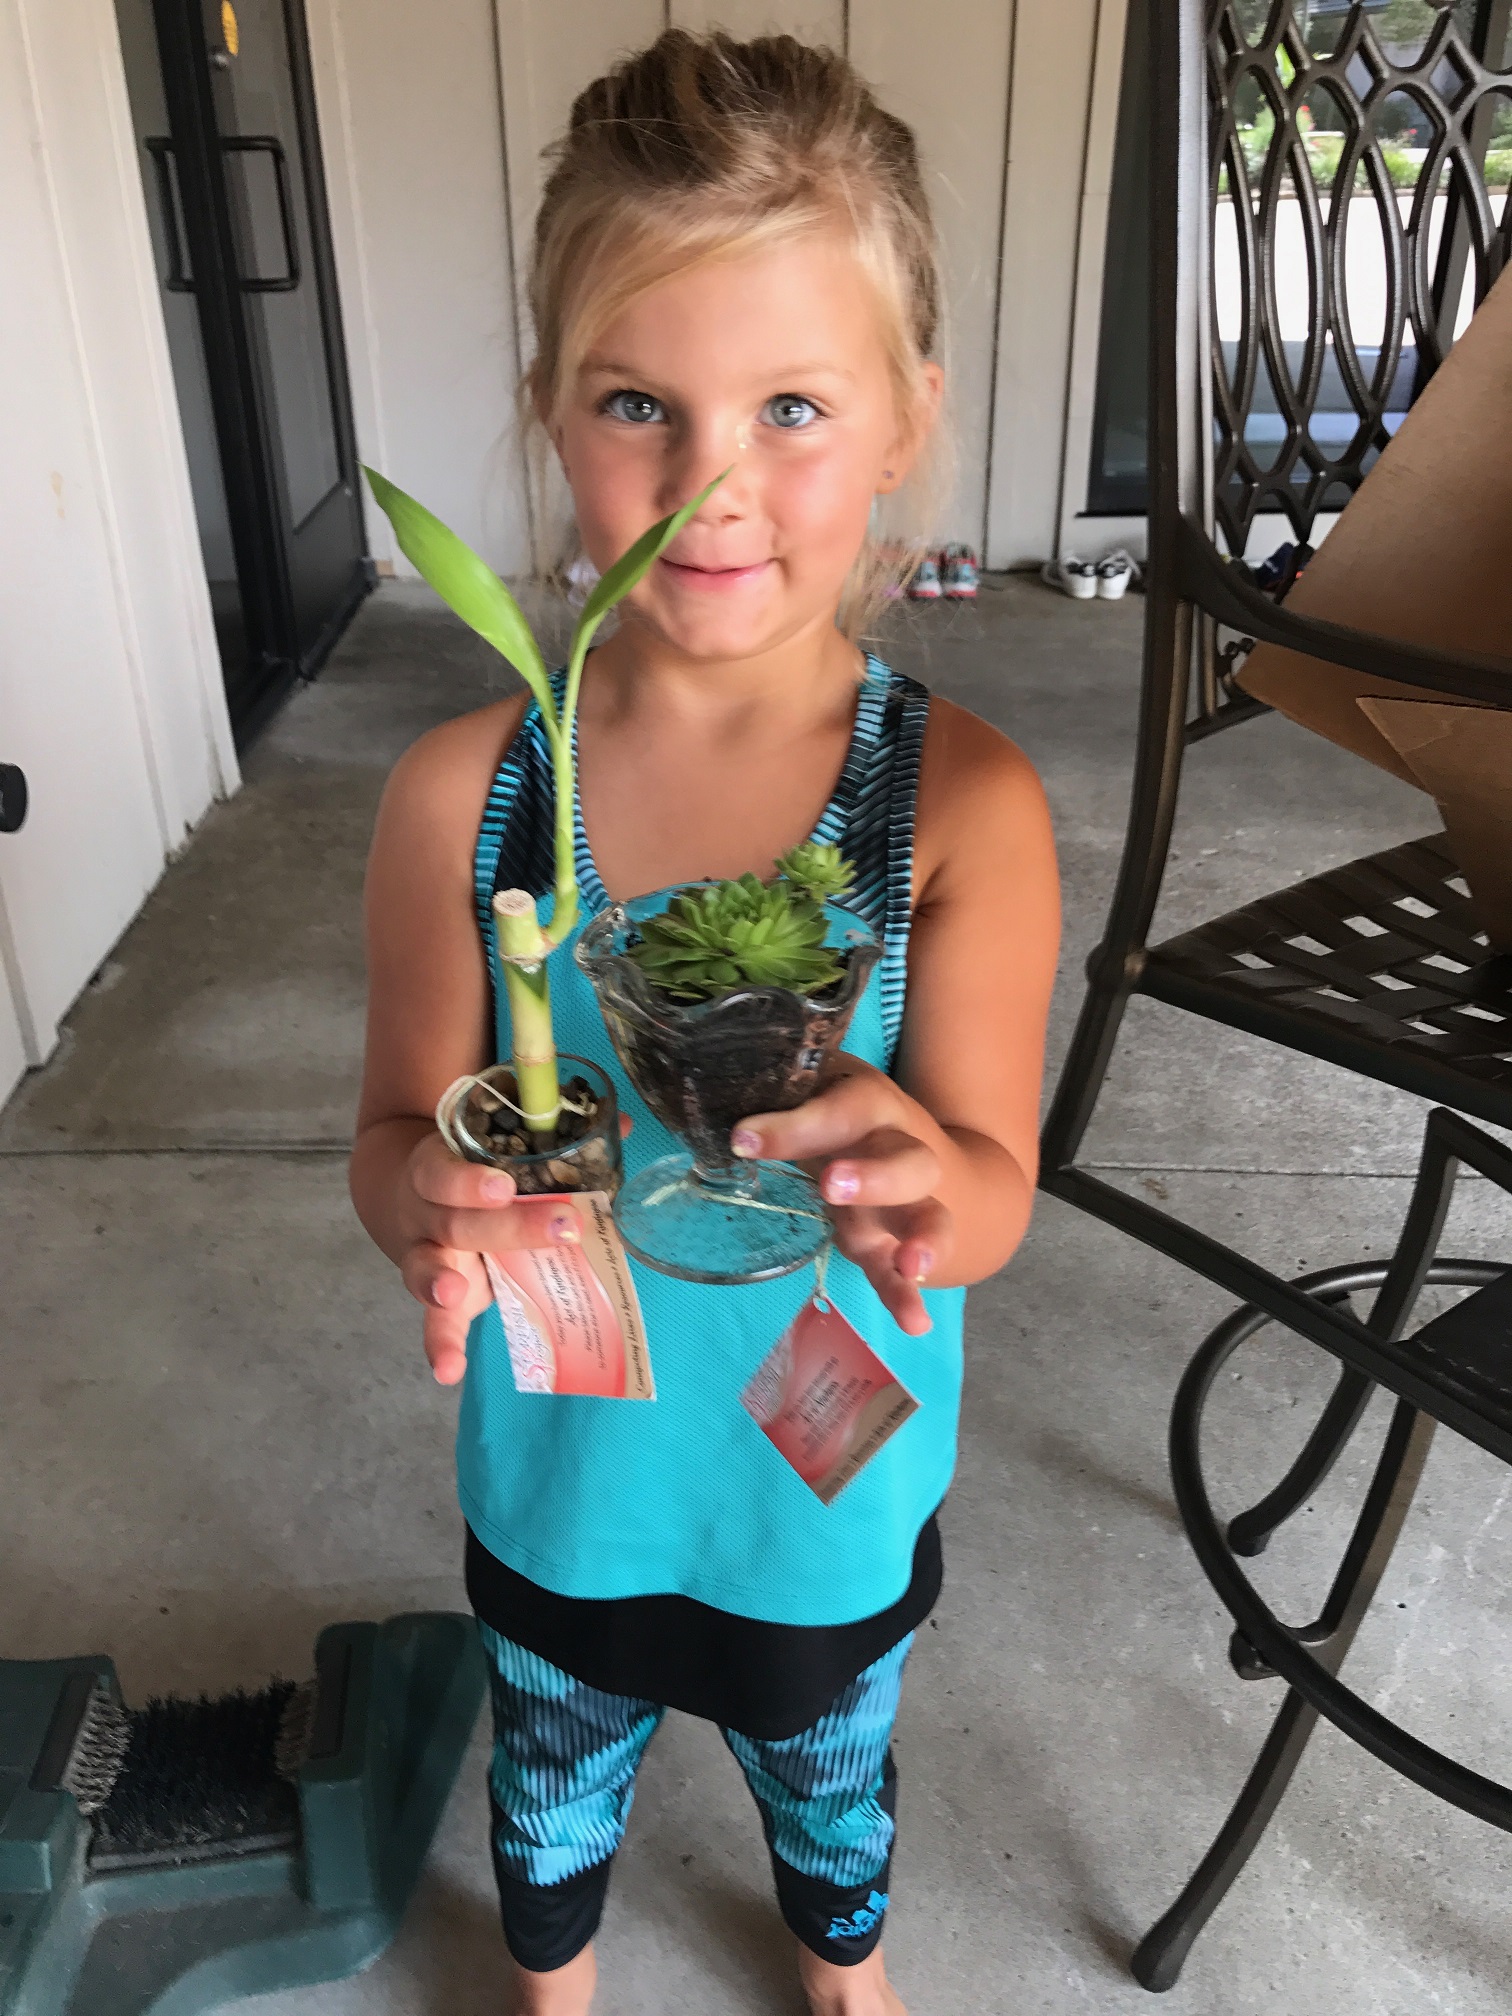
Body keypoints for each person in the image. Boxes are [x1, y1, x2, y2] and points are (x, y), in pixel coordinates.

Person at [350, 29, 1059, 2016]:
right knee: (553, 1760)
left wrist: (932, 1185)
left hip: (822, 1478)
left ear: (908, 417)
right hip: (566, 1472)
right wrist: (426, 1208)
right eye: (638, 402)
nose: (709, 484)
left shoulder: (958, 810)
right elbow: (392, 1136)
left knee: (828, 1757)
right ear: (550, 411)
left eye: (794, 407)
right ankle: (553, 1977)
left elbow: (995, 1193)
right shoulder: (469, 800)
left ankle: (842, 1962)